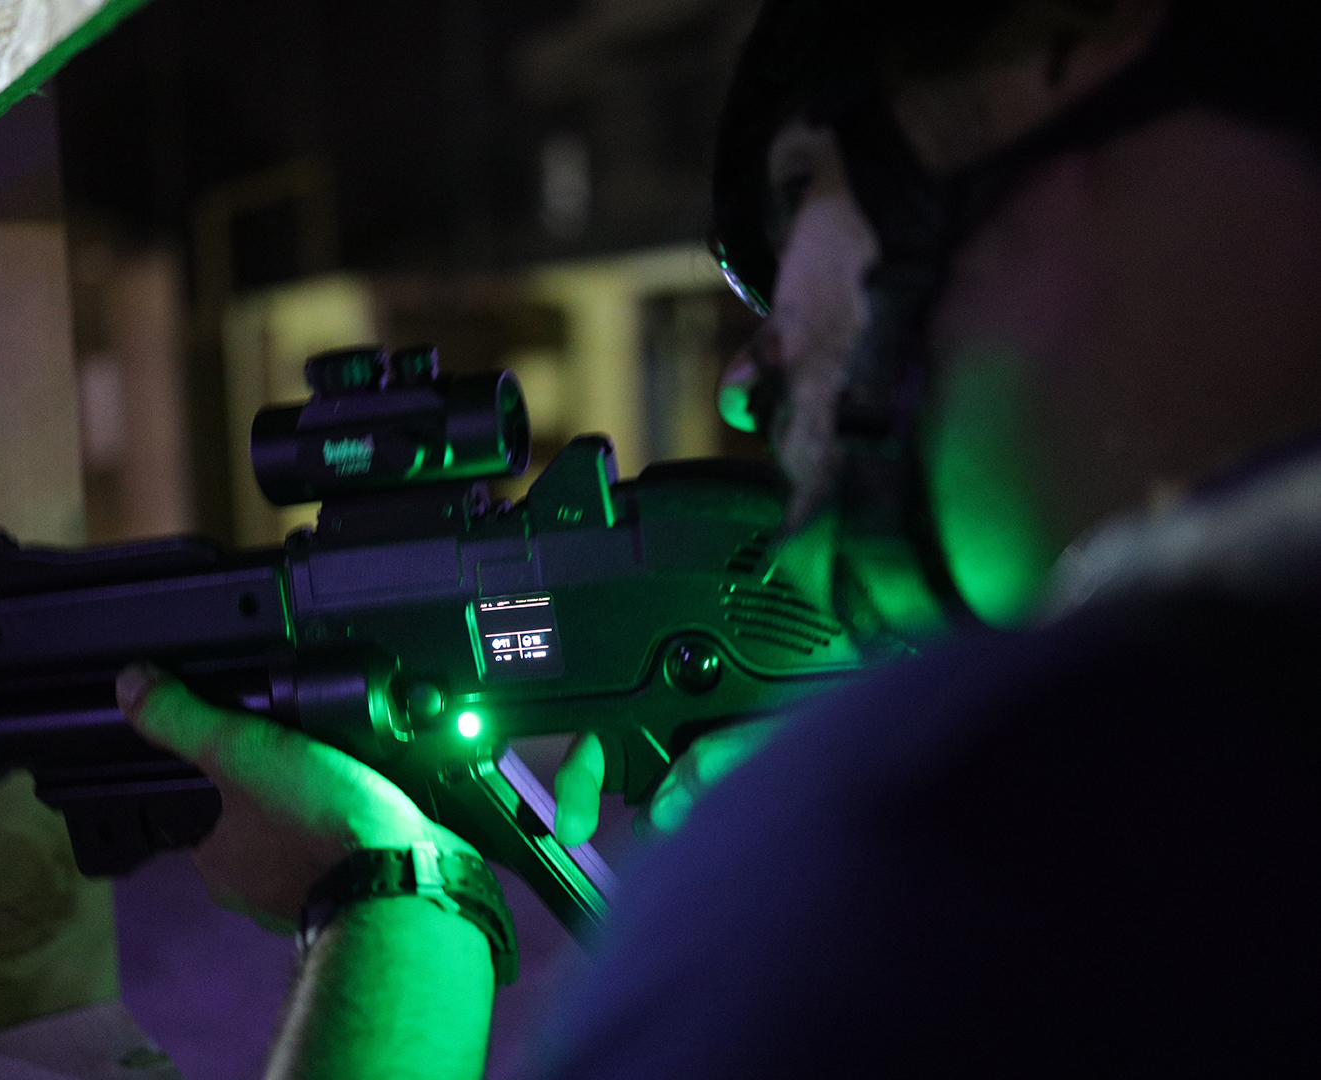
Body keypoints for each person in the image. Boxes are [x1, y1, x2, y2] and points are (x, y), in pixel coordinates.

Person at [115, 1, 1321, 1075]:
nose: (749, 381)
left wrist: (389, 902)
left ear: (1060, 45)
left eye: (805, 193)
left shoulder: (952, 832)